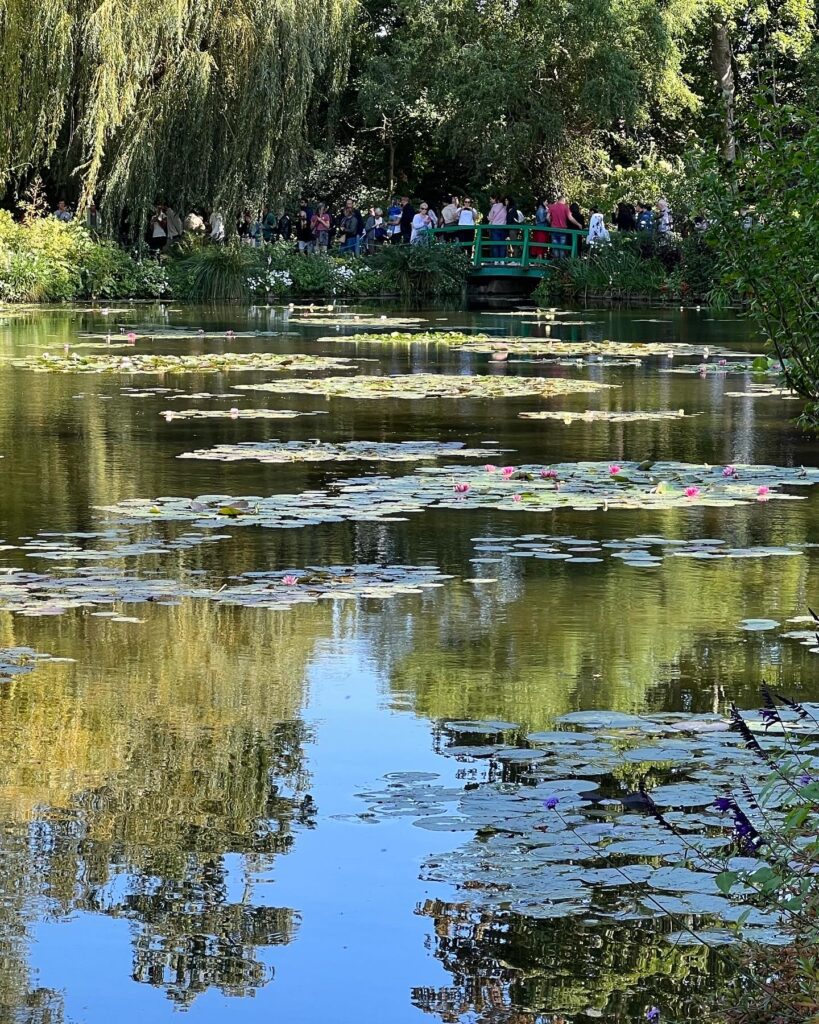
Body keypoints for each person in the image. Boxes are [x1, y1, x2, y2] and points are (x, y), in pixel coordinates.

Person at [487, 195, 507, 260]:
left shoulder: (494, 206)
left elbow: (490, 217)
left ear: (497, 200)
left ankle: (496, 260)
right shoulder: (505, 207)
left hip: (495, 227)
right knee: (502, 244)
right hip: (503, 227)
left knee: (495, 244)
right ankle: (502, 260)